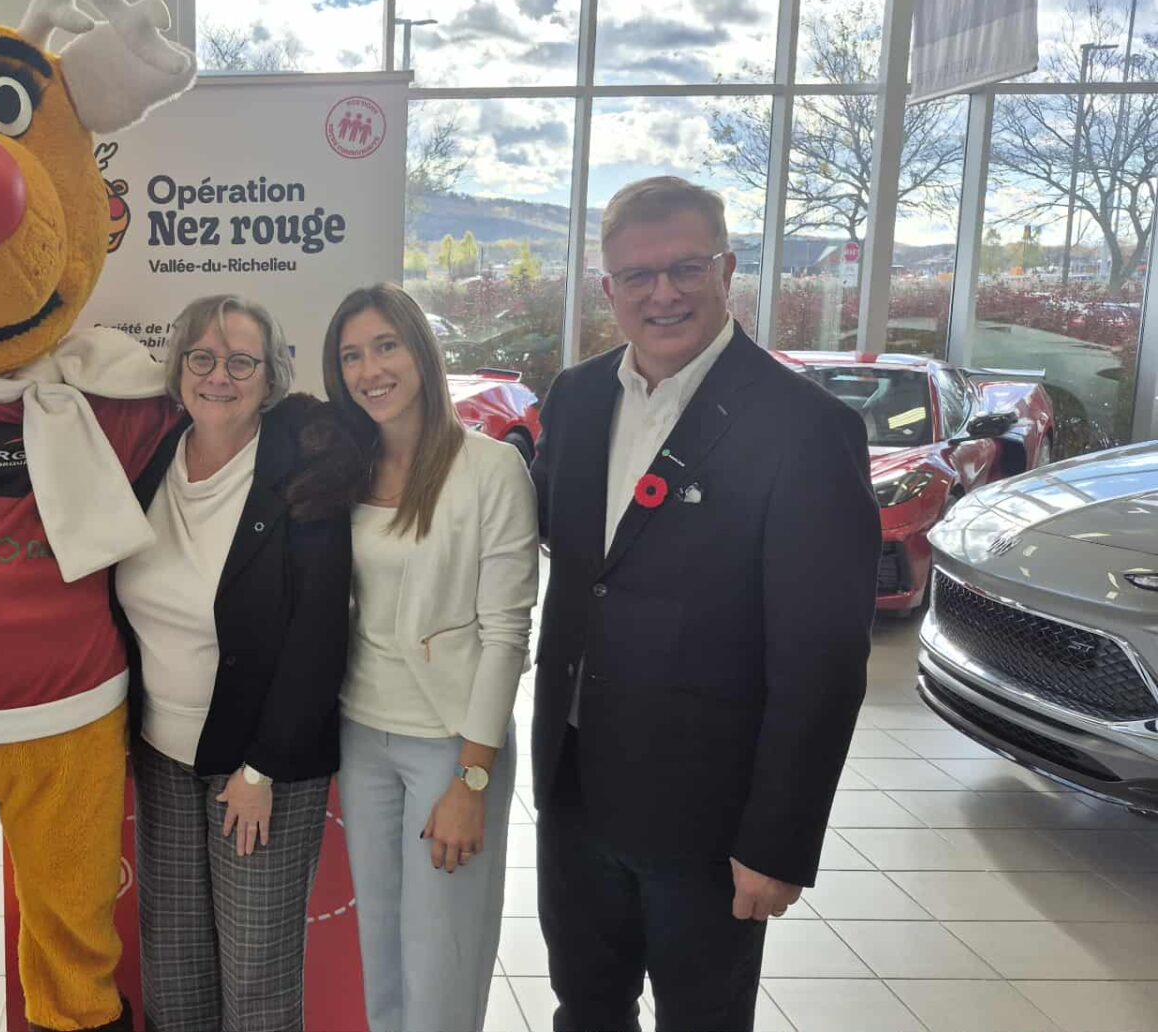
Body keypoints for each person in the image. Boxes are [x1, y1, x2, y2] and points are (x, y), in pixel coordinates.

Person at [528, 176, 878, 1032]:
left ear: (726, 270)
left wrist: (778, 842)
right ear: (608, 287)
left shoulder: (803, 427)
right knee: (585, 1006)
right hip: (575, 788)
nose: (664, 294)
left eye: (685, 268)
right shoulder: (575, 400)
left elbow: (824, 661)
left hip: (708, 818)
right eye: (637, 275)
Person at [114, 295, 356, 1032]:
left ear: (270, 375)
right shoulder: (154, 457)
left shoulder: (302, 470)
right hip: (162, 753)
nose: (219, 376)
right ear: (179, 368)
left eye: (241, 362)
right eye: (203, 358)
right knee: (174, 973)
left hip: (260, 768)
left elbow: (319, 635)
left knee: (256, 986)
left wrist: (262, 770)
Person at [325, 282, 538, 1032]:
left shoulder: (489, 469)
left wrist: (472, 778)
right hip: (362, 734)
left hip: (452, 745)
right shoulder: (348, 468)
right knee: (381, 957)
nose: (370, 369)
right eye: (352, 355)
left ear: (421, 349)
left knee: (442, 961)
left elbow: (507, 634)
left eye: (386, 346)